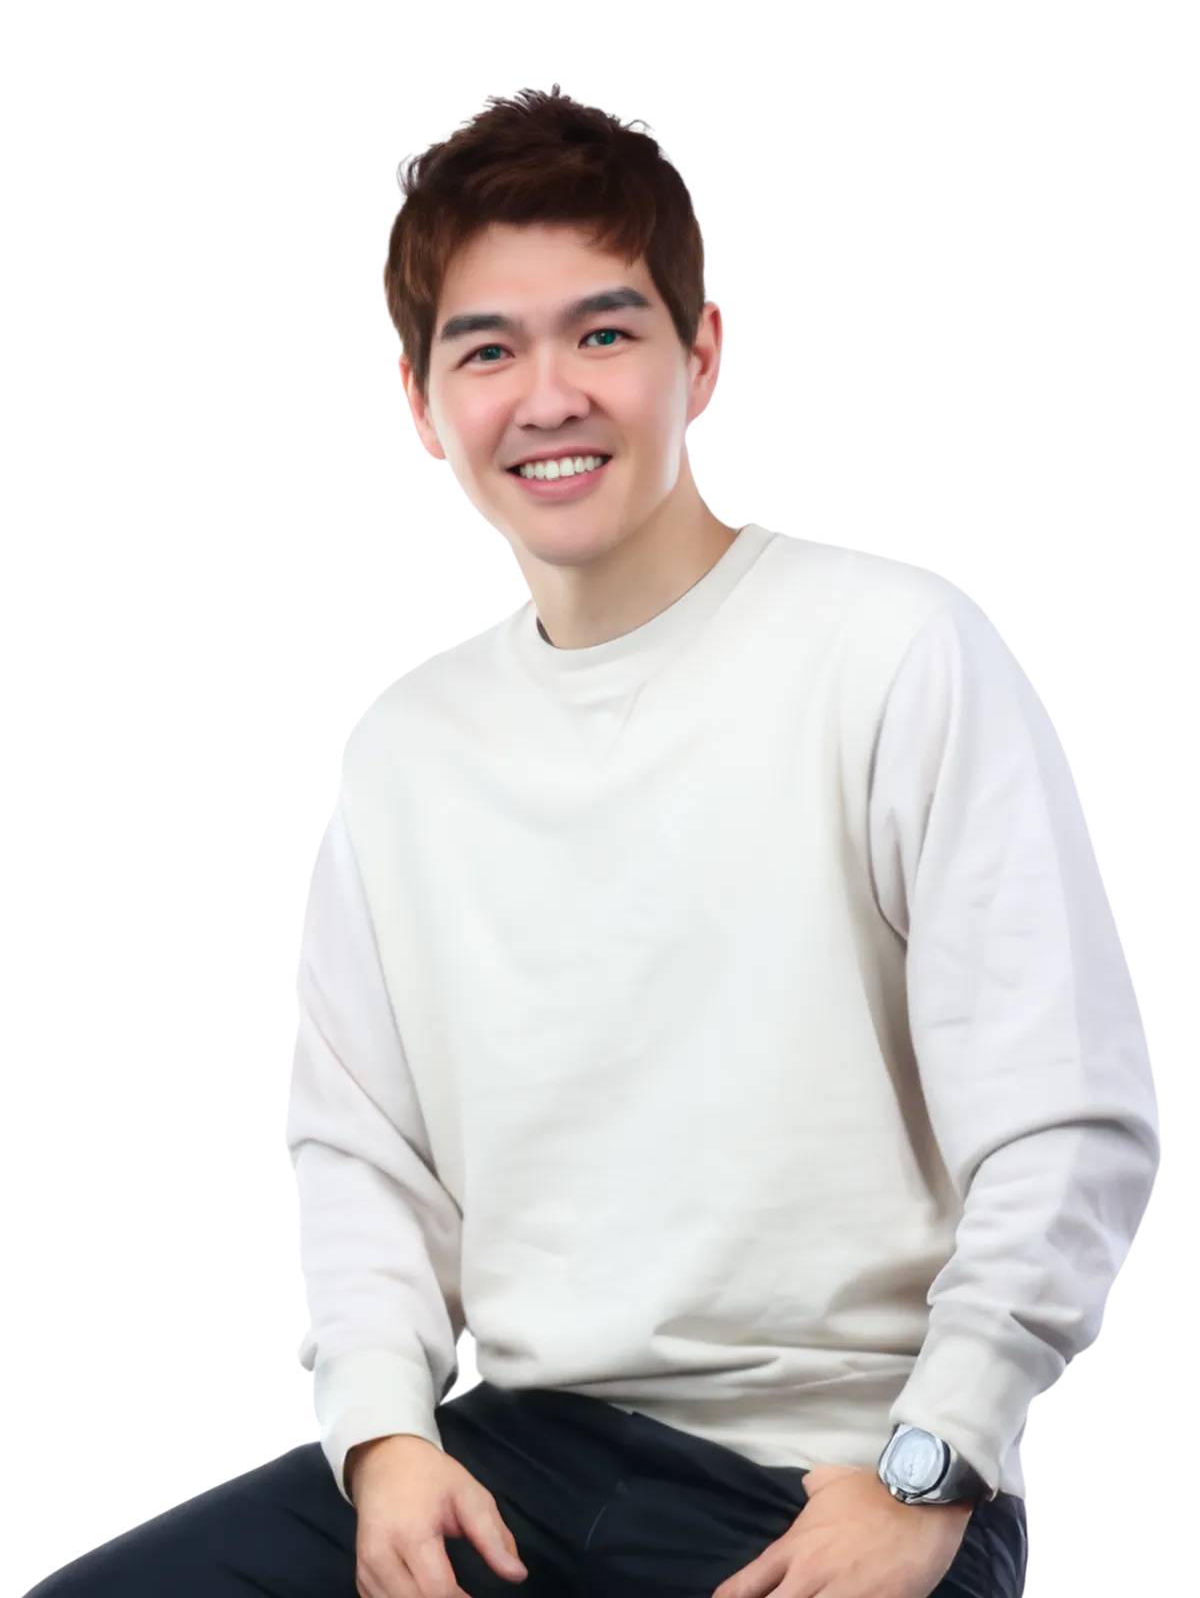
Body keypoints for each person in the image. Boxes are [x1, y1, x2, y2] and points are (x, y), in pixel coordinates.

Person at [41, 84, 1159, 1597]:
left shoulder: (896, 648)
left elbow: (1067, 1122)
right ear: (419, 401)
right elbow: (362, 1154)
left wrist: (936, 1459)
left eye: (604, 332)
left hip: (835, 1471)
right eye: (487, 350)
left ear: (702, 354)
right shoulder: (406, 747)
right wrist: (383, 1439)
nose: (549, 394)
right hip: (511, 1458)